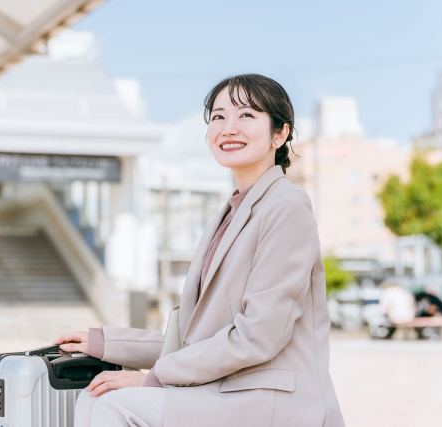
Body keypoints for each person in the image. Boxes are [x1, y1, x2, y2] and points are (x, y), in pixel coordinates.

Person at [54, 74, 345, 427]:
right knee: (97, 397)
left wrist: (154, 377)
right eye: (219, 117)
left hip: (270, 401)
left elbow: (259, 335)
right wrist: (104, 343)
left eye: (247, 116)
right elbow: (193, 341)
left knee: (118, 406)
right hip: (228, 391)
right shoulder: (226, 217)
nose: (229, 128)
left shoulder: (286, 204)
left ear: (280, 134)